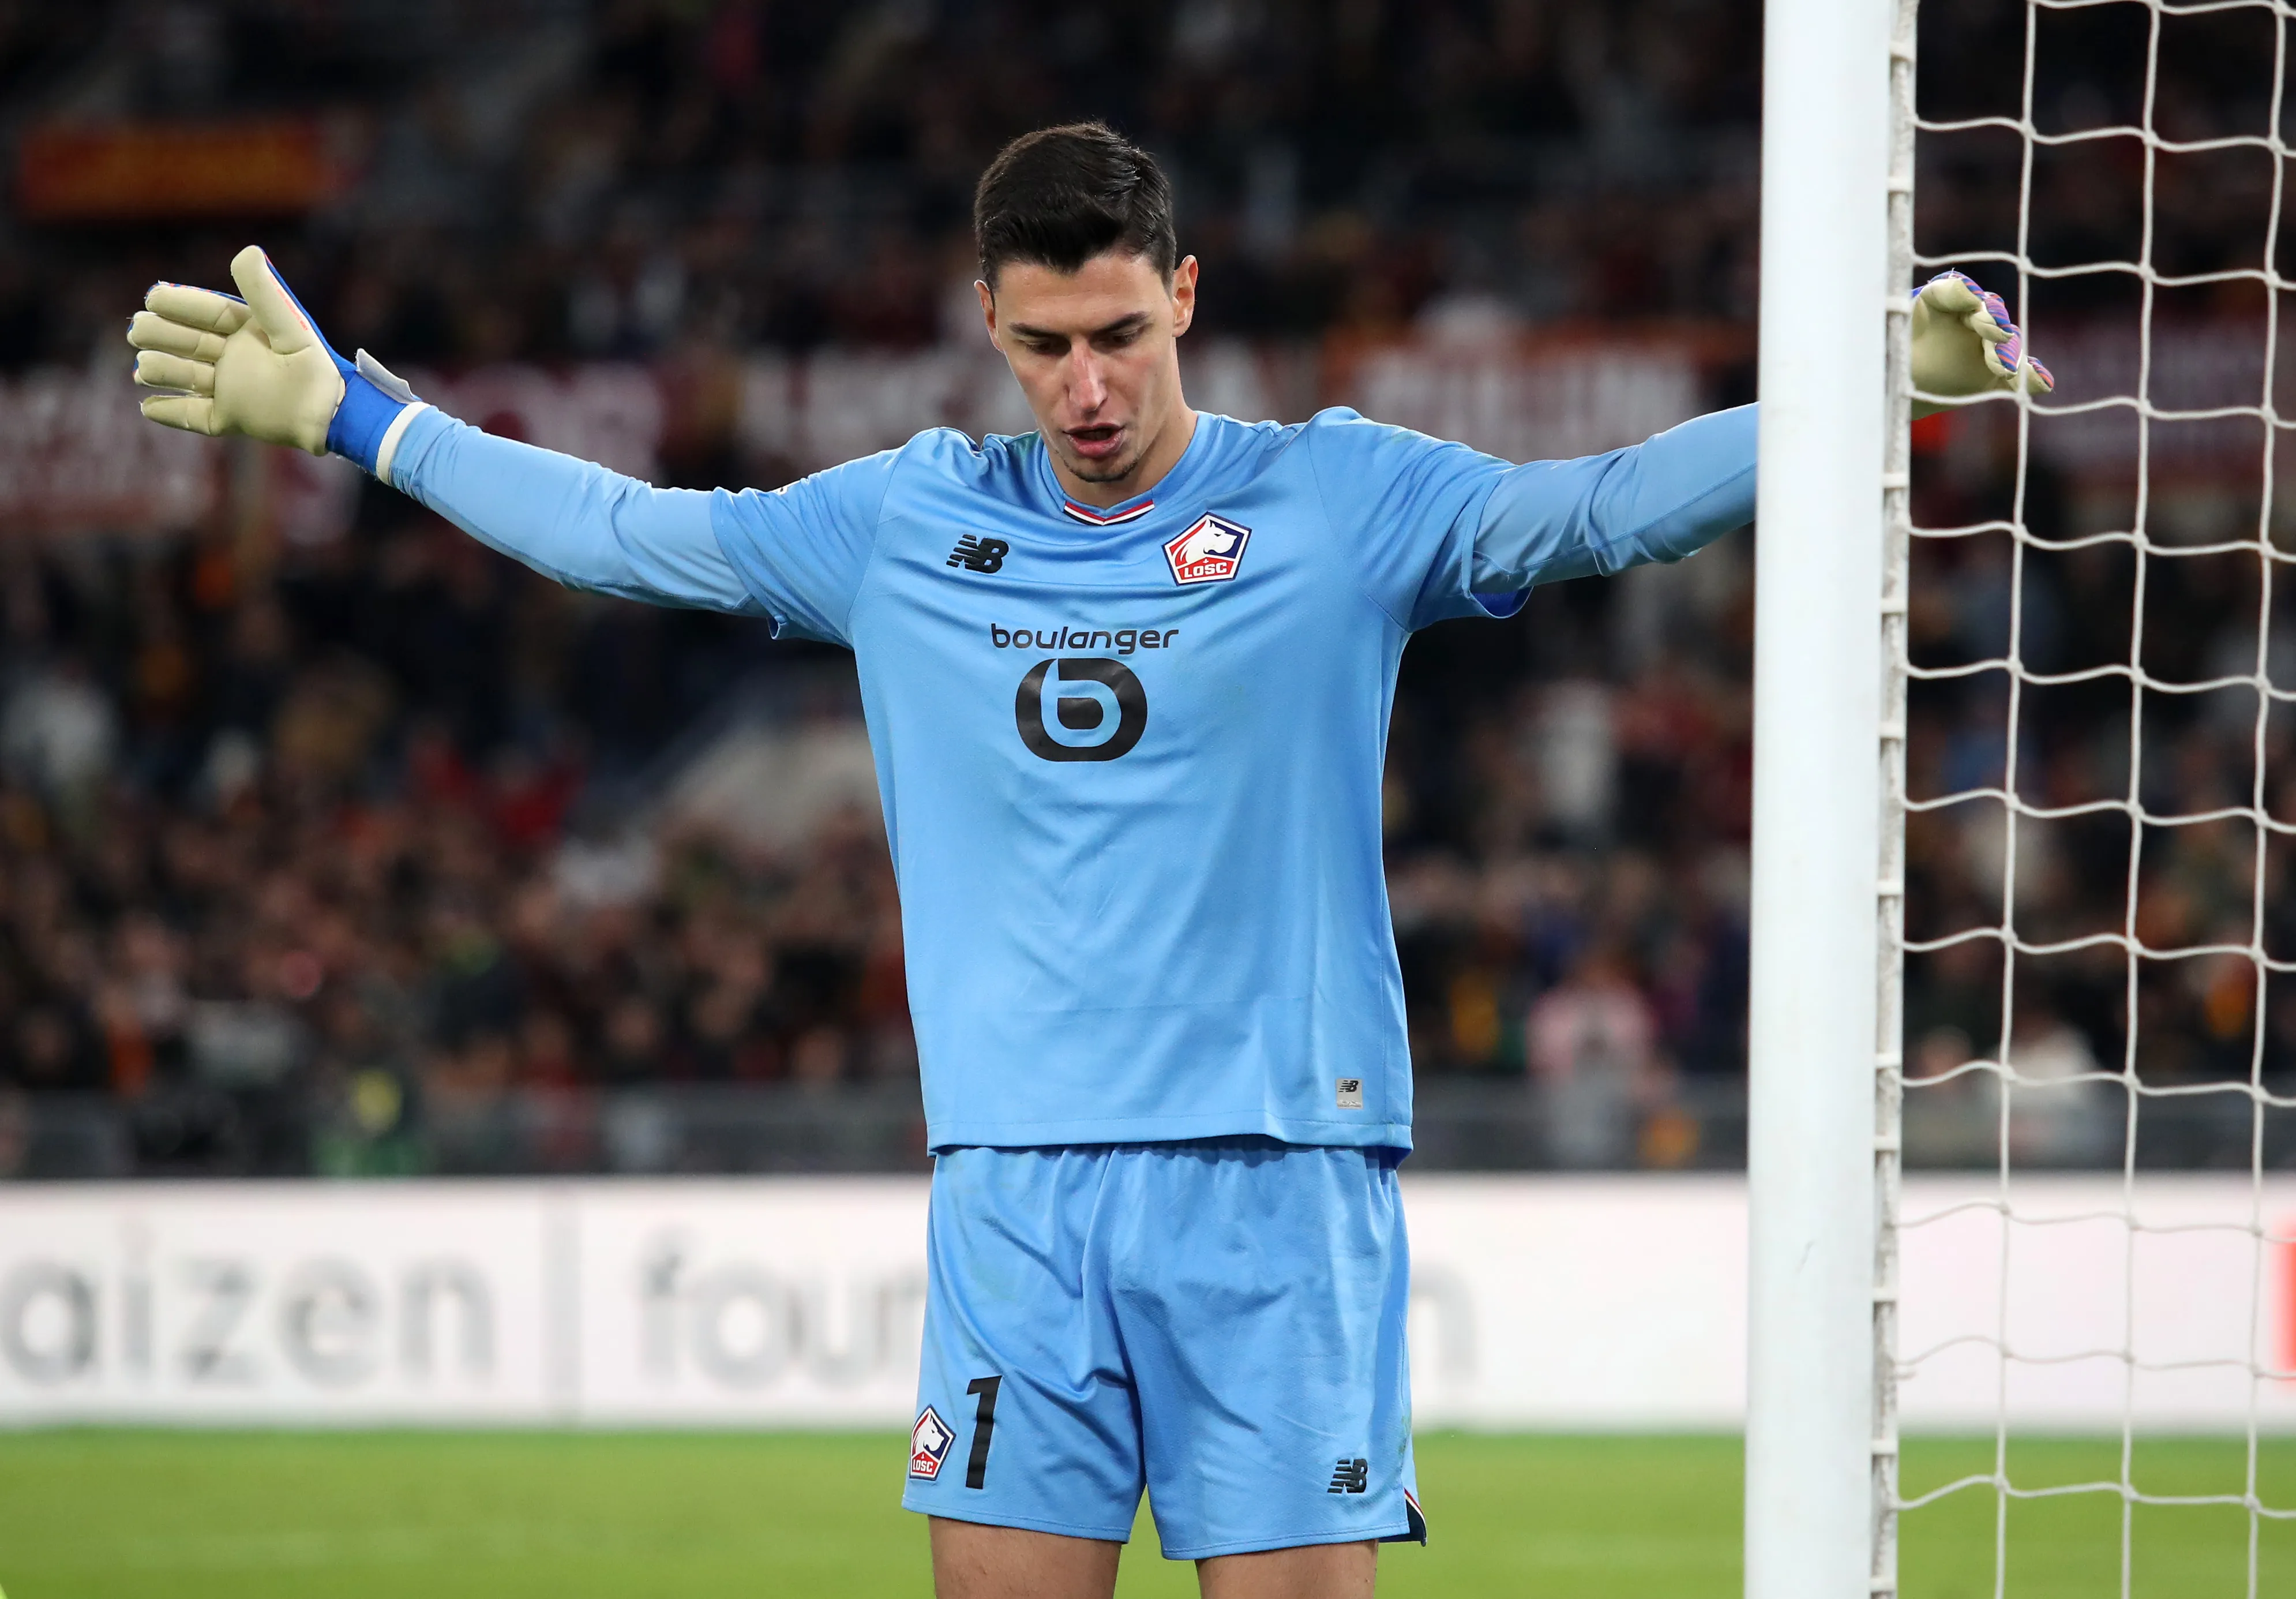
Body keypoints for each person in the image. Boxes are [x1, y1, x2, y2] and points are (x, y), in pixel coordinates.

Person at [125, 122, 2047, 1599]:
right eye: (1045, 346)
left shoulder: (1339, 497)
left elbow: (1606, 508)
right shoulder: (901, 527)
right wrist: (365, 420)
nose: (1090, 388)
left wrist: (1867, 387)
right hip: (1015, 1195)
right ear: (991, 327)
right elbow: (635, 531)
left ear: (1186, 296)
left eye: (1121, 334)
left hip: (1272, 1181)